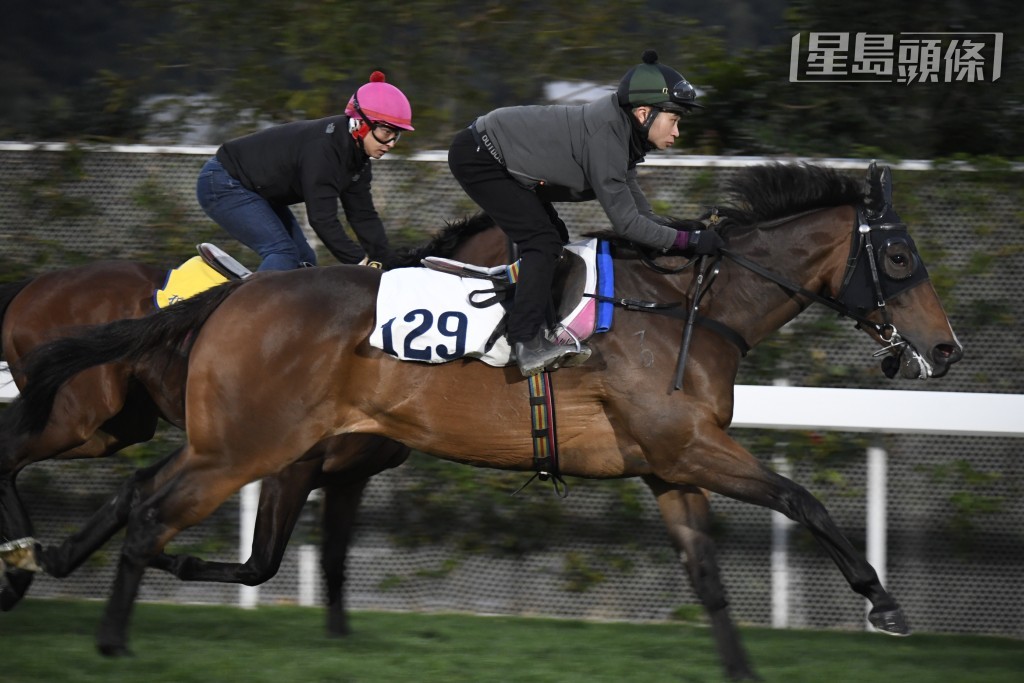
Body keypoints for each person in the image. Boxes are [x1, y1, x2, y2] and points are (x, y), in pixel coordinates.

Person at [448, 49, 725, 377]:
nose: (676, 133)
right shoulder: (607, 140)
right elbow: (628, 224)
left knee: (554, 240)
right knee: (542, 242)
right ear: (642, 113)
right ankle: (525, 341)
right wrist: (689, 241)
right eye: (674, 120)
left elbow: (642, 213)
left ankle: (537, 322)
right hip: (481, 156)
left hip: (496, 155)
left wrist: (687, 235)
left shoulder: (623, 137)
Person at [196, 71, 413, 271]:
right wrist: (361, 263)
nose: (391, 143)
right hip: (223, 183)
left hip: (256, 190)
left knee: (305, 261)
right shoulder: (324, 151)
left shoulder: (358, 158)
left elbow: (363, 216)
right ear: (360, 125)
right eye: (386, 132)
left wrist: (387, 265)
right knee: (283, 253)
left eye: (397, 135)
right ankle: (244, 310)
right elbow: (322, 220)